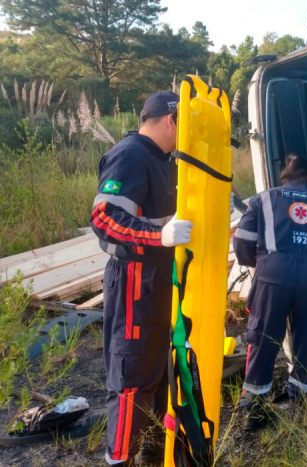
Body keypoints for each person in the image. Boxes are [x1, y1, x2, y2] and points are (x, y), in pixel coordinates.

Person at [91, 92, 193, 466]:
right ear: (171, 120)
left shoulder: (164, 160)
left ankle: (153, 447)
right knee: (132, 374)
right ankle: (119, 459)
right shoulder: (130, 155)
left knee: (161, 369)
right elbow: (104, 218)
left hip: (160, 279)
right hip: (134, 279)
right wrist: (159, 237)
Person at [233, 154, 307, 431]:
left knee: (263, 337)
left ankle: (253, 411)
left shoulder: (261, 199)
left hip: (273, 273)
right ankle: (301, 403)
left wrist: (260, 264)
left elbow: (242, 242)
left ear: (283, 180)